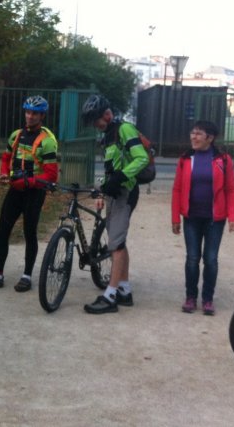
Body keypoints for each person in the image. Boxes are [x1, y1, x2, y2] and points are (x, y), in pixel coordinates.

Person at [0, 96, 59, 292]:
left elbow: (51, 175)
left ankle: (26, 276)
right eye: (27, 112)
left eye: (34, 113)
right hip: (15, 190)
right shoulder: (16, 135)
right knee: (2, 231)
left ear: (42, 116)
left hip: (34, 193)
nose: (30, 116)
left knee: (29, 232)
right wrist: (3, 173)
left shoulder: (47, 142)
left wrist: (29, 181)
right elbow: (6, 157)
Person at [80, 94, 149, 314]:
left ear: (107, 115)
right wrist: (101, 188)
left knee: (115, 245)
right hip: (114, 193)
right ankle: (124, 290)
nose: (95, 125)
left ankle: (110, 296)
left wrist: (120, 178)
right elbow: (110, 169)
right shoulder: (108, 136)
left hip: (126, 192)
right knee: (118, 242)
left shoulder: (124, 129)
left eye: (96, 120)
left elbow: (141, 158)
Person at [171, 120, 234, 315]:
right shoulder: (185, 159)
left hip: (215, 219)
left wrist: (232, 216)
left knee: (211, 259)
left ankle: (207, 299)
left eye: (199, 134)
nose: (194, 137)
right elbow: (176, 189)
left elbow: (231, 190)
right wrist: (175, 217)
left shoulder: (223, 160)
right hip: (191, 217)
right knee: (192, 258)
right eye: (192, 133)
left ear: (210, 138)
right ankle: (190, 297)